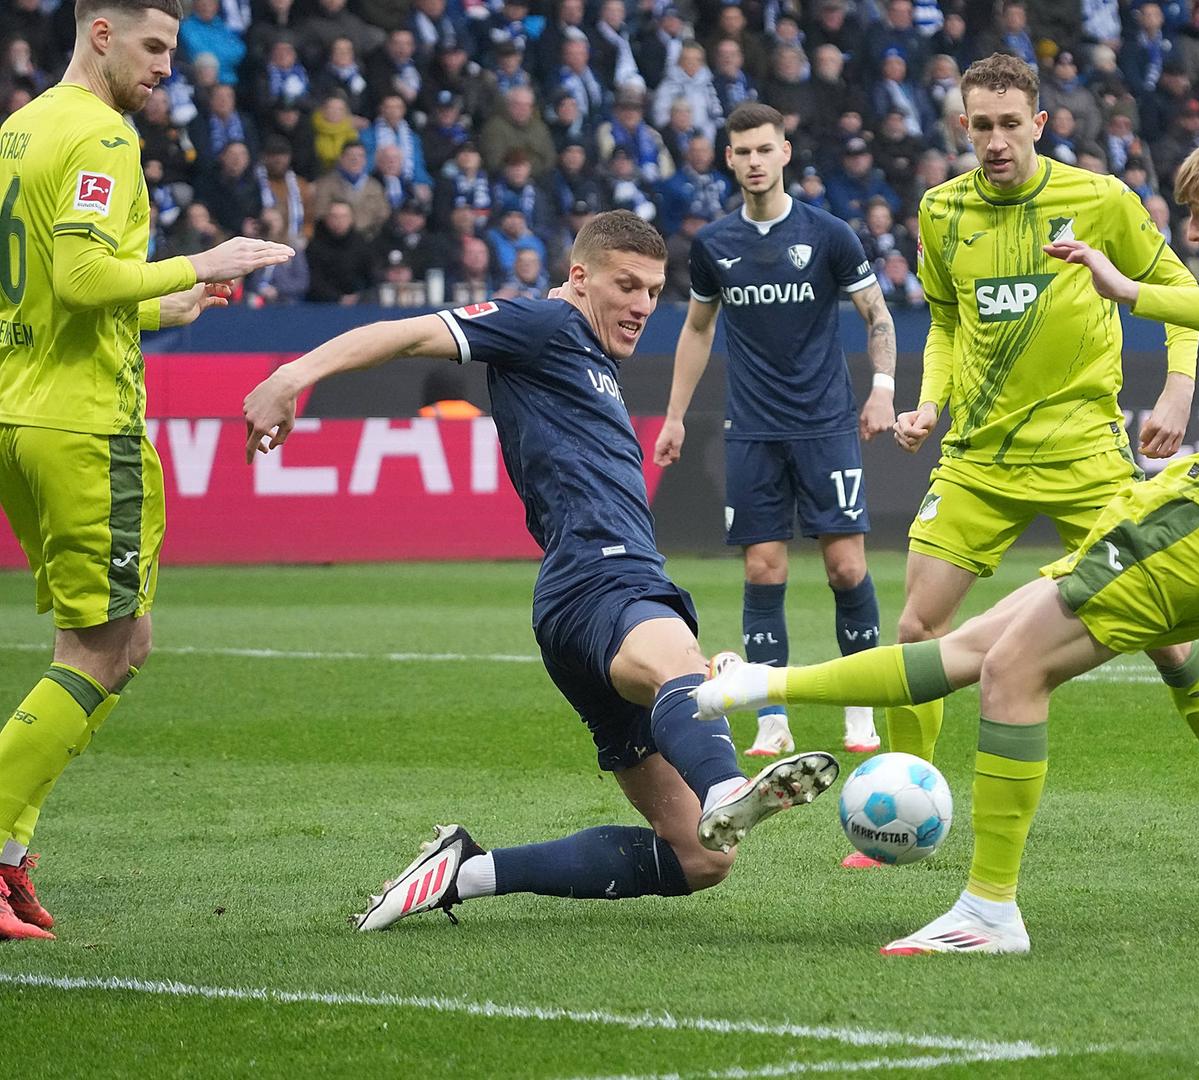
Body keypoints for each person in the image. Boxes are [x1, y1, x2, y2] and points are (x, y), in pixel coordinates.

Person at [694, 118, 1199, 954]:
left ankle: (991, 909)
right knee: (970, 649)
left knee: (1009, 668)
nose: (1192, 233)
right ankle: (755, 688)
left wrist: (1134, 293)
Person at [238, 212, 839, 931]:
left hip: (574, 606)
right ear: (578, 277)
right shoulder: (544, 325)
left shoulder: (583, 350)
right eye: (626, 285)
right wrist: (293, 374)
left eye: (653, 290)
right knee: (682, 665)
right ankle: (727, 787)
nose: (644, 305)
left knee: (700, 859)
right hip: (602, 578)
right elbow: (410, 332)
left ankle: (467, 872)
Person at [876, 53, 1199, 871]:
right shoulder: (940, 213)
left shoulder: (1098, 200)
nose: (996, 141)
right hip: (979, 459)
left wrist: (1179, 392)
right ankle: (908, 801)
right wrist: (931, 400)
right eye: (981, 126)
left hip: (1085, 456)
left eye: (1011, 125)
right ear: (962, 127)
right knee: (916, 626)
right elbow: (946, 322)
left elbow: (1175, 287)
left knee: (1169, 640)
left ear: (1039, 124)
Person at [0, 0, 292, 941]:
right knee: (104, 652)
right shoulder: (102, 135)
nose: (170, 66)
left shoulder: (19, 130)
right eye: (155, 46)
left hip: (22, 408)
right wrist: (196, 261)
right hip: (89, 425)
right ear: (100, 33)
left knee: (116, 649)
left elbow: (54, 287)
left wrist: (167, 310)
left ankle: (9, 853)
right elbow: (87, 280)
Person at [653, 102, 897, 762]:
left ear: (784, 154)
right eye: (744, 152)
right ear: (729, 160)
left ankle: (860, 708)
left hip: (824, 425)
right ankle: (771, 721)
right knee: (763, 570)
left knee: (846, 568)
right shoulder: (715, 246)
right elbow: (698, 329)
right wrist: (674, 415)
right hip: (753, 431)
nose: (755, 161)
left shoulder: (829, 235)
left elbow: (876, 314)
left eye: (766, 149)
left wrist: (882, 390)